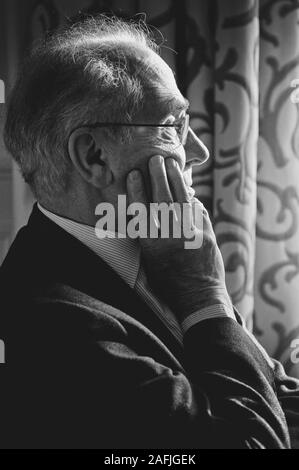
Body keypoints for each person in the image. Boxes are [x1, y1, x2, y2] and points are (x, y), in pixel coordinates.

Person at [0, 16, 298, 449]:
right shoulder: (50, 320)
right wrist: (205, 293)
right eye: (174, 125)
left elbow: (271, 390)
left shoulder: (160, 242)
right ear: (95, 156)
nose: (198, 150)